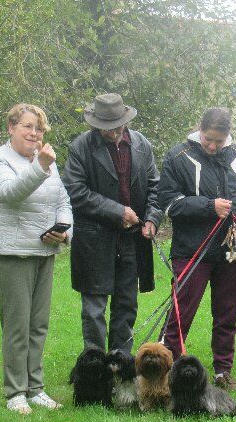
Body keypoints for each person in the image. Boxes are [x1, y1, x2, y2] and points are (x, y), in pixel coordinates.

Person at [158, 107, 236, 390]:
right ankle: (168, 368)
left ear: (228, 135)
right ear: (200, 128)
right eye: (208, 138)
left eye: (218, 140)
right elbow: (168, 203)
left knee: (227, 313)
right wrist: (209, 206)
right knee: (182, 312)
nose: (212, 145)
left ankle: (222, 371)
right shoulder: (178, 157)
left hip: (233, 251)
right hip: (191, 251)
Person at [0, 103, 72, 414]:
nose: (34, 133)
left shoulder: (46, 162)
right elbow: (10, 193)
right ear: (11, 128)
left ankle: (35, 388)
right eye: (27, 126)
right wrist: (41, 166)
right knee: (17, 326)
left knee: (38, 325)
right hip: (12, 253)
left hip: (44, 251)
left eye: (39, 128)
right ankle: (15, 393)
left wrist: (65, 231)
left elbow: (63, 200)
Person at [63, 93, 163, 354]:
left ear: (125, 121)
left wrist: (152, 218)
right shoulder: (80, 147)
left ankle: (121, 365)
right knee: (94, 309)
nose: (113, 132)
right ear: (95, 125)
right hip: (94, 239)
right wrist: (118, 212)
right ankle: (94, 368)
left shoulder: (142, 144)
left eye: (117, 127)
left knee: (126, 305)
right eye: (106, 128)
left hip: (132, 239)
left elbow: (156, 187)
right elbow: (76, 191)